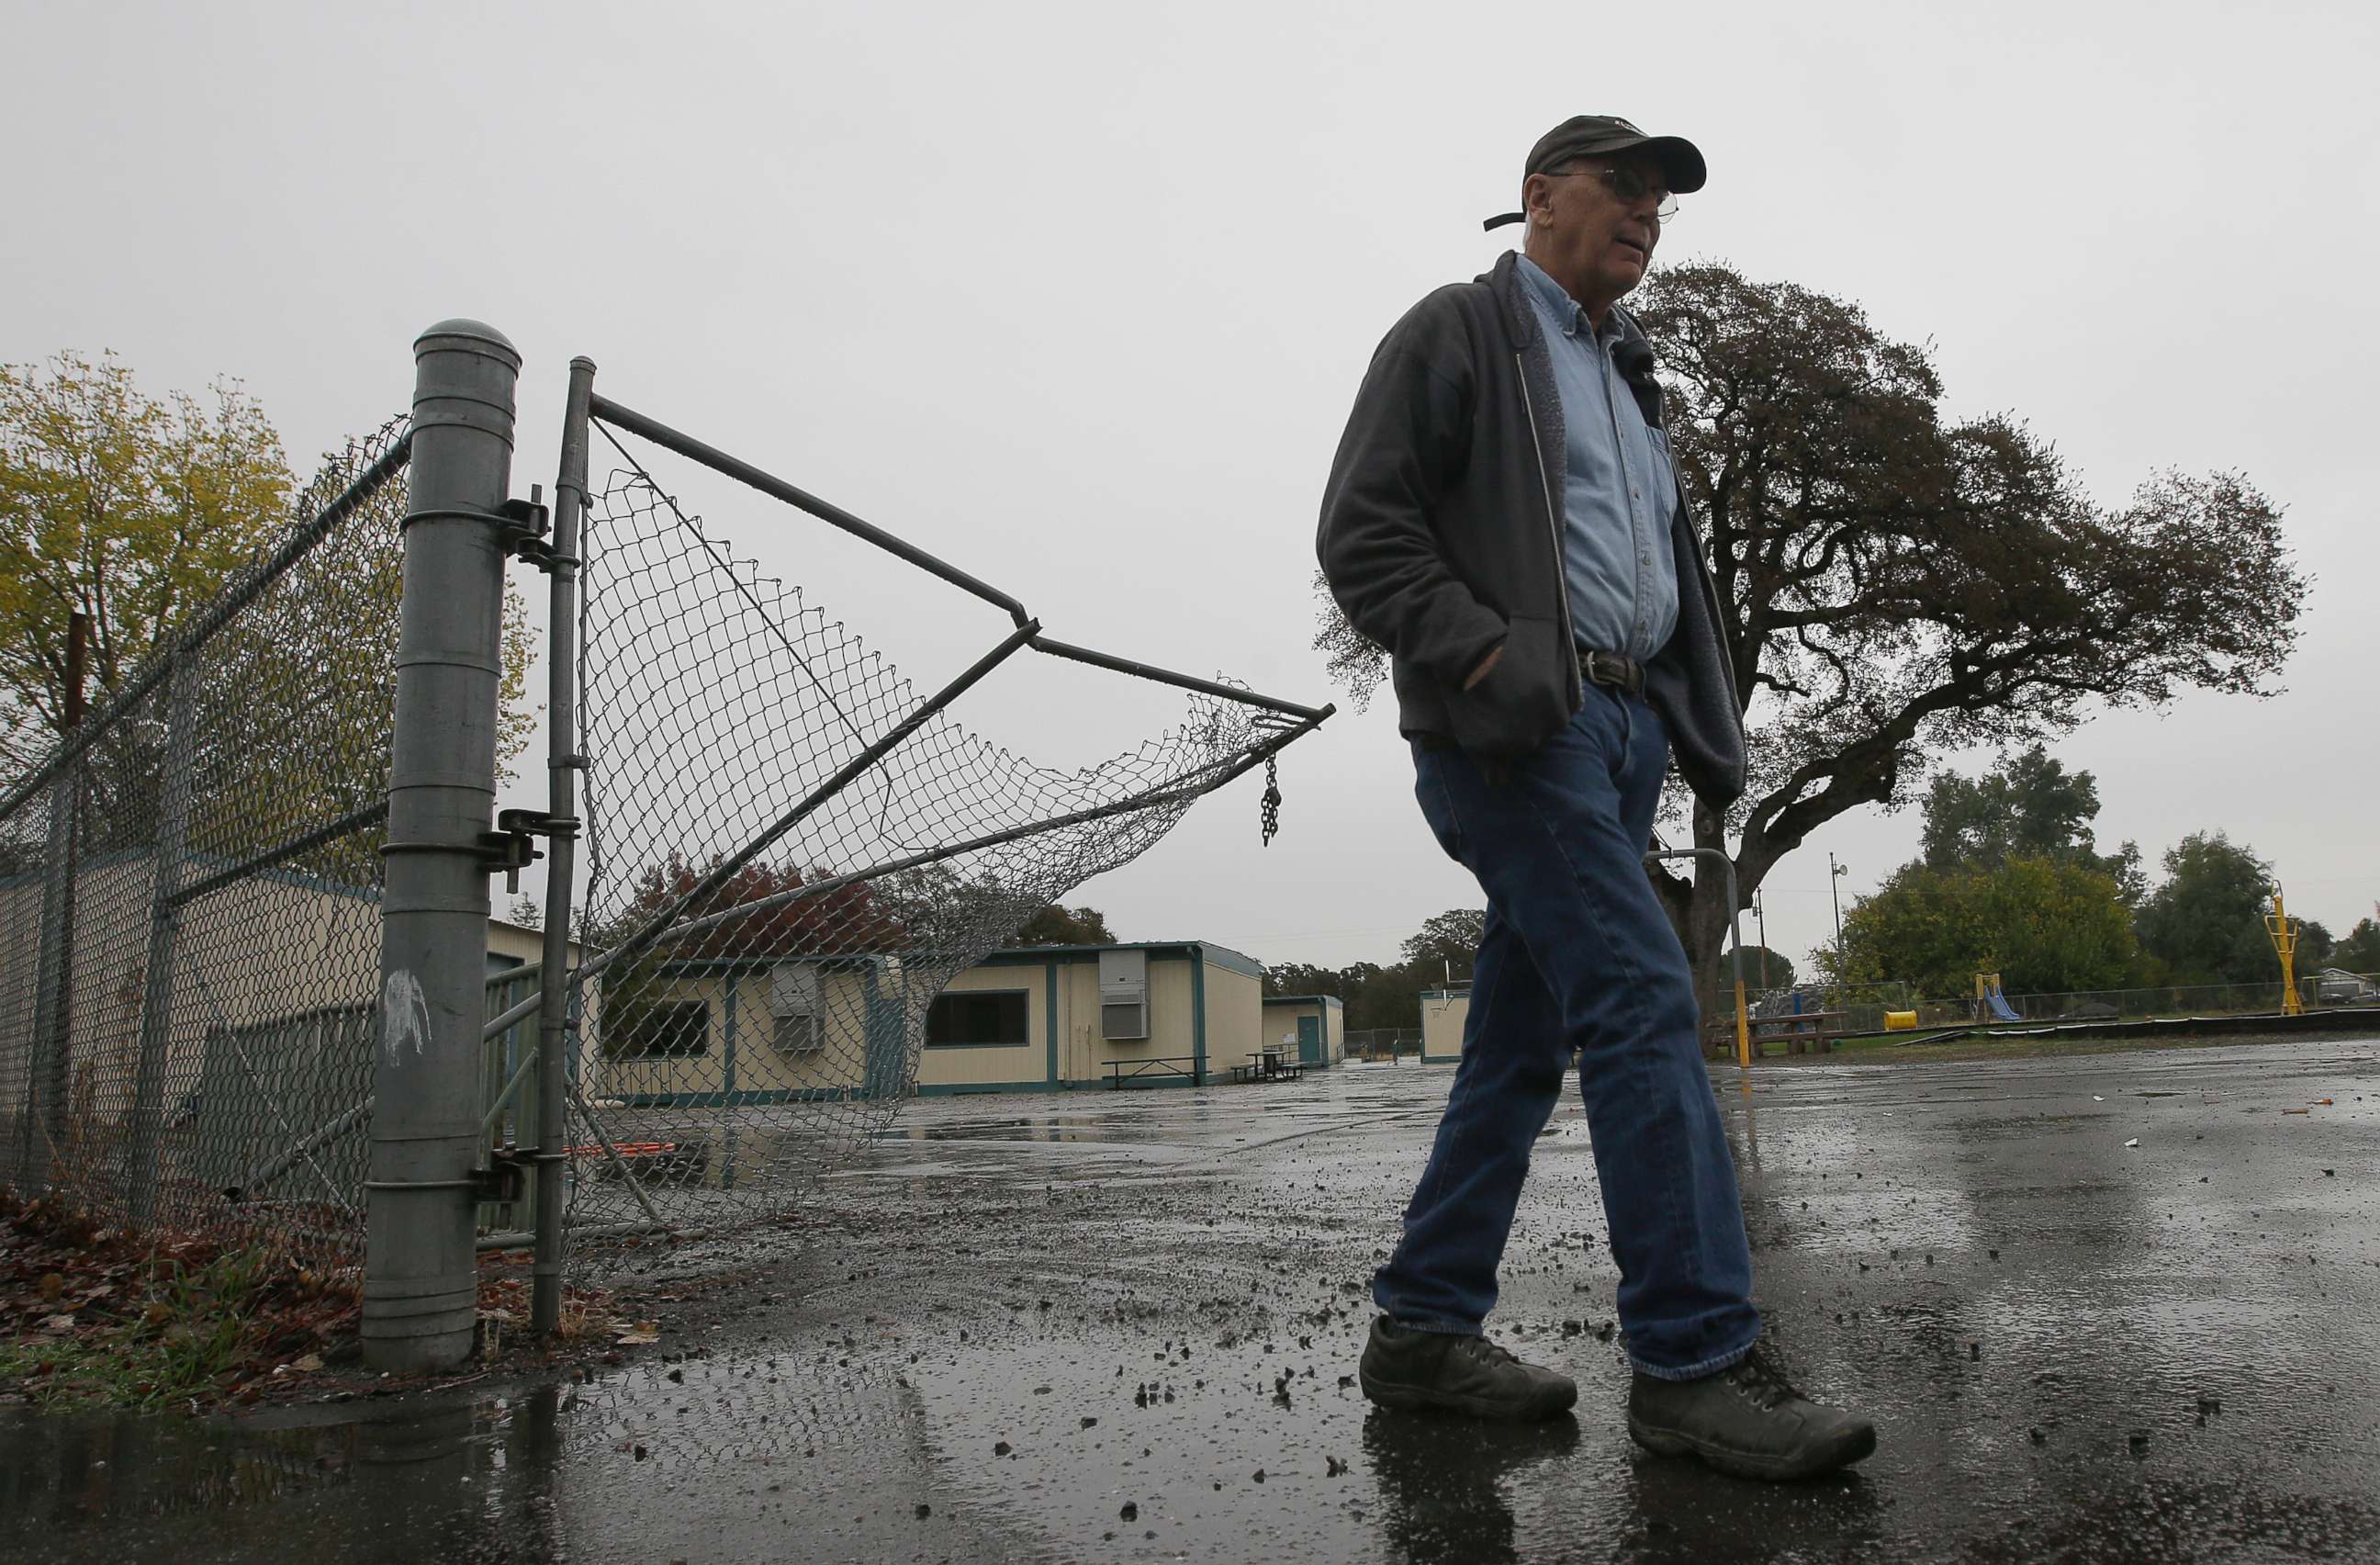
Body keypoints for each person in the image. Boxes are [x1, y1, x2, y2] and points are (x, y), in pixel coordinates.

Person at [1316, 115, 1875, 1481]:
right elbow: (1363, 532)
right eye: (1620, 187)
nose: (1644, 214)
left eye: (1660, 202)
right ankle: (1693, 1362)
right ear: (1536, 196)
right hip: (1521, 733)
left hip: (1623, 737)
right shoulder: (1458, 332)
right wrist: (1493, 659)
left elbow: (1650, 571)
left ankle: (1422, 1329)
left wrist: (1699, 723)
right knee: (1640, 996)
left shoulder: (1630, 382)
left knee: (1521, 1041)